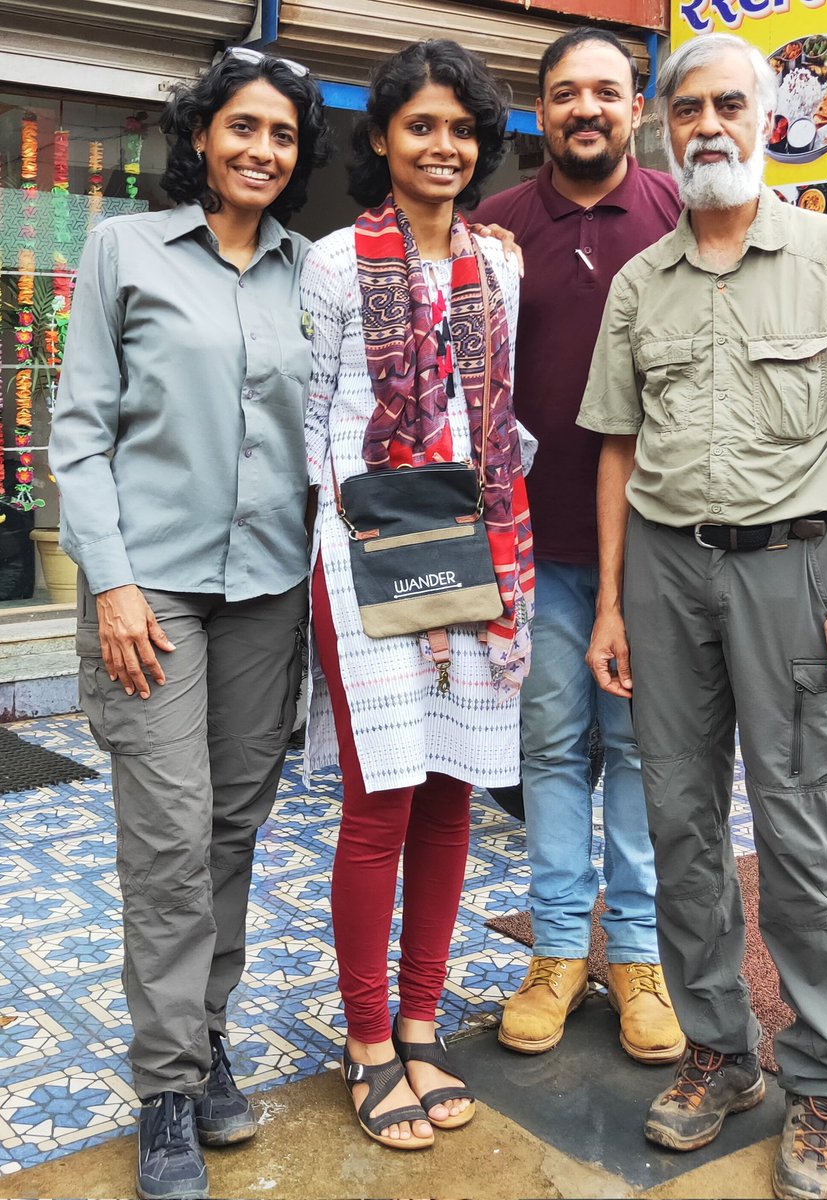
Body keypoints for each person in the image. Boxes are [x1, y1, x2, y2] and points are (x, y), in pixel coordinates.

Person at [578, 33, 827, 1200]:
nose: (709, 124)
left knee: (798, 826)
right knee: (678, 820)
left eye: (731, 103)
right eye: (689, 108)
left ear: (767, 117)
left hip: (793, 569)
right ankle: (720, 1053)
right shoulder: (640, 283)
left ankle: (822, 1077)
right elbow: (617, 447)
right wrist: (612, 605)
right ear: (664, 128)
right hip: (666, 572)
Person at [50, 49, 328, 1200]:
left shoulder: (313, 272)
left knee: (230, 830)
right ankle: (166, 1086)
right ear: (203, 136)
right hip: (150, 592)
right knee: (169, 836)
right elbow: (79, 433)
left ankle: (206, 1036)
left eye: (283, 135)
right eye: (243, 127)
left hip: (268, 588)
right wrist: (110, 582)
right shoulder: (126, 250)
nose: (262, 150)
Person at [300, 40, 532, 1151]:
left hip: (477, 557)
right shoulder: (334, 263)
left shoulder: (500, 268)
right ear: (383, 138)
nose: (443, 146)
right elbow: (310, 424)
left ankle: (422, 1024)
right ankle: (366, 1042)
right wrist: (358, 536)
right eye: (420, 125)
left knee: (452, 795)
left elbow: (499, 418)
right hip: (367, 557)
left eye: (461, 129)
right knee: (380, 800)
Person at [474, 27, 684, 1063]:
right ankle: (558, 951)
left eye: (606, 90)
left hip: (661, 548)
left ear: (636, 106)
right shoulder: (495, 228)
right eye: (565, 93)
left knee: (643, 753)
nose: (586, 109)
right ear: (540, 109)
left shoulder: (682, 216)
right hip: (535, 548)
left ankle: (637, 955)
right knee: (551, 750)